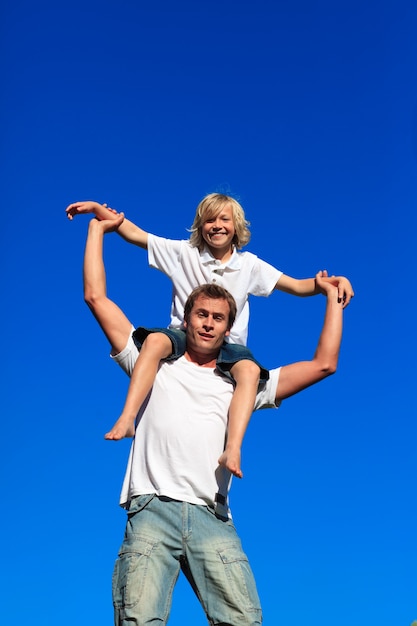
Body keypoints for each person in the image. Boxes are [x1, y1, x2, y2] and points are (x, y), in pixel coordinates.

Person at [82, 214, 345, 626]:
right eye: (200, 314)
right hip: (153, 510)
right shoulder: (152, 365)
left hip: (213, 517)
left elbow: (324, 364)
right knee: (138, 620)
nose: (207, 322)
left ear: (228, 329)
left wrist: (332, 298)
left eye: (218, 317)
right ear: (185, 322)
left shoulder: (243, 382)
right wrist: (96, 231)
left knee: (242, 621)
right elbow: (97, 298)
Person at [68, 195, 353, 478]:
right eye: (210, 220)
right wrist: (98, 213)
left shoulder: (250, 265)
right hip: (179, 336)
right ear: (199, 225)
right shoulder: (184, 253)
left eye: (224, 219)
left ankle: (233, 447)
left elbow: (298, 287)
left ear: (237, 227)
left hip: (230, 349)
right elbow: (134, 234)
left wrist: (327, 286)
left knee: (250, 372)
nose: (217, 226)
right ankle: (128, 416)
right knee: (154, 341)